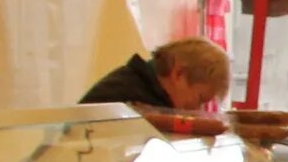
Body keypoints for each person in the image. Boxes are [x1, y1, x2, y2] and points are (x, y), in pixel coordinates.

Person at [81, 37, 230, 113]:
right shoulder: (129, 96)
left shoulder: (142, 85)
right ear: (178, 74)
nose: (198, 110)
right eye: (200, 99)